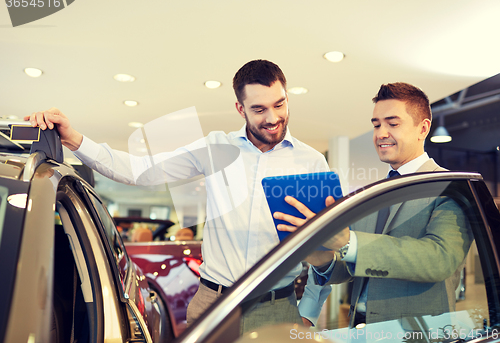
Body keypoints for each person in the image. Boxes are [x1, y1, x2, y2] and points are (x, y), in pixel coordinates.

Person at [26, 59, 332, 332]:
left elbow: (327, 244)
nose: (272, 117)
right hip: (213, 304)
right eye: (259, 109)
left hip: (276, 309)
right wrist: (75, 139)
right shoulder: (216, 148)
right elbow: (140, 170)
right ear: (240, 109)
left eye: (279, 104)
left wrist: (309, 311)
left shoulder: (311, 163)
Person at [274, 82, 473, 327]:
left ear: (423, 129)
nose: (380, 133)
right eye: (376, 124)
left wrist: (348, 241)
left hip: (416, 333)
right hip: (360, 330)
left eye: (393, 123)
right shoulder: (375, 194)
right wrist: (317, 255)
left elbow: (439, 259)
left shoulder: (451, 187)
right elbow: (351, 269)